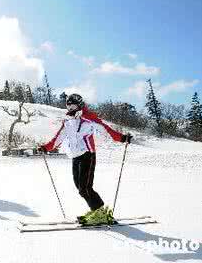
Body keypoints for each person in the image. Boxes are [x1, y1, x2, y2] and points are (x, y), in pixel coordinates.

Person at [39, 94, 132, 225]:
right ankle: (97, 212)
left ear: (80, 104)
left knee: (85, 188)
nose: (70, 107)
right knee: (80, 187)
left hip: (87, 155)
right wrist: (46, 147)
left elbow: (106, 130)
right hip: (75, 156)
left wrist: (122, 138)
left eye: (73, 105)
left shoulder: (88, 118)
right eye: (68, 105)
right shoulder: (68, 121)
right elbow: (58, 137)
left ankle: (100, 214)